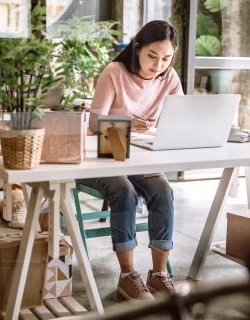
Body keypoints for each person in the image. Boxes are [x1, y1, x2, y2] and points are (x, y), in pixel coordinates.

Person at [77, 20, 183, 302]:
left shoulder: (169, 77)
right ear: (137, 48)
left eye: (166, 58)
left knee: (163, 191)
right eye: (152, 55)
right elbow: (95, 122)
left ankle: (159, 275)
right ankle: (127, 276)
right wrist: (126, 123)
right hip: (108, 149)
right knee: (123, 191)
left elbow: (181, 115)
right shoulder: (115, 72)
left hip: (142, 152)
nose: (159, 64)